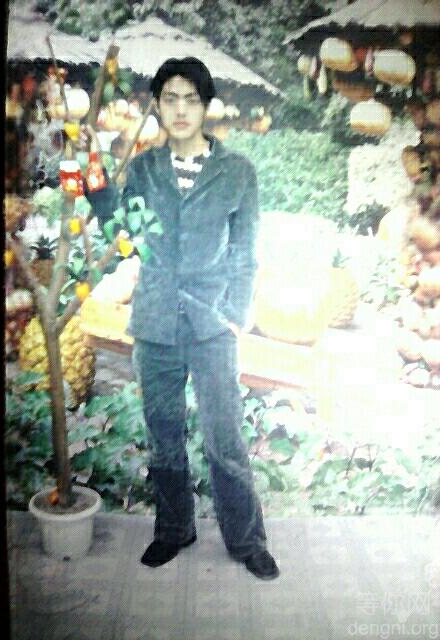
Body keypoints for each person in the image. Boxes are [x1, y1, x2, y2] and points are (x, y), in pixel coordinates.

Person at [123, 57, 279, 580]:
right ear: (157, 105)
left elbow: (245, 252)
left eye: (191, 99)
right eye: (170, 98)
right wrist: (99, 192)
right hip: (156, 322)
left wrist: (234, 314)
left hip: (213, 326)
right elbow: (123, 232)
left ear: (207, 105)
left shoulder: (238, 172)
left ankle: (246, 540)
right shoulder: (142, 169)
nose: (181, 109)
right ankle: (174, 529)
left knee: (224, 439)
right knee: (164, 434)